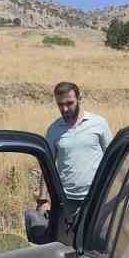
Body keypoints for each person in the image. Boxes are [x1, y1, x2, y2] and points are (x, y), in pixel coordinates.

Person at [34, 82, 112, 224]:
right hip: (66, 200)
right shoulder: (54, 130)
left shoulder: (99, 124)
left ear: (79, 99)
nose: (64, 109)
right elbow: (47, 166)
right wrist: (43, 201)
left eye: (69, 103)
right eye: (60, 105)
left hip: (97, 197)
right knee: (68, 243)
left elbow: (113, 159)